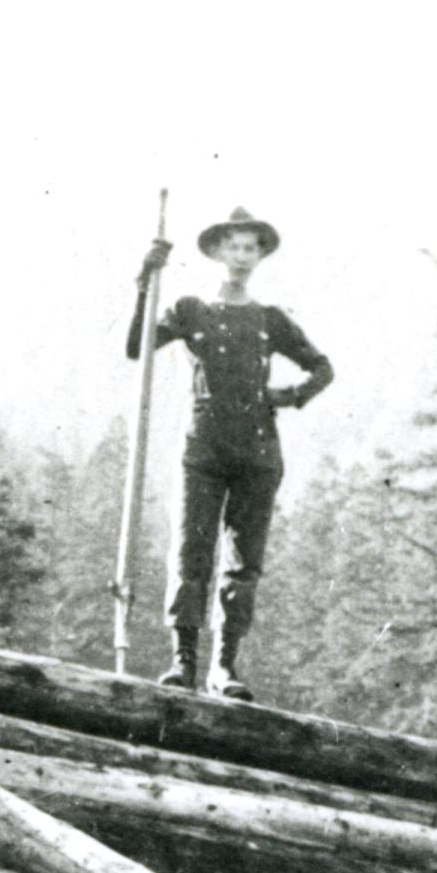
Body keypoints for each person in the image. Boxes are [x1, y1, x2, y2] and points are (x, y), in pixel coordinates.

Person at [124, 207, 332, 699]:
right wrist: (145, 282)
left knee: (243, 562)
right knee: (190, 553)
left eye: (250, 248)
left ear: (259, 256)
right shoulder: (190, 310)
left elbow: (322, 369)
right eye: (233, 247)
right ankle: (183, 662)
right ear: (217, 251)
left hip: (257, 451)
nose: (241, 256)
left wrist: (286, 396)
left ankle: (224, 667)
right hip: (203, 447)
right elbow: (137, 348)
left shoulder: (269, 319)